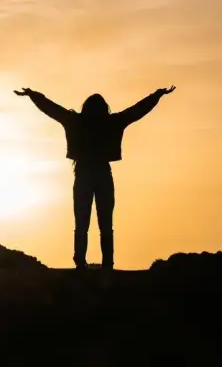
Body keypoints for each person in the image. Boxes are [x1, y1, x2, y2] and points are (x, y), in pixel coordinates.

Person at [14, 85, 176, 270]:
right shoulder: (112, 122)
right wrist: (156, 95)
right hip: (102, 173)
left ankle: (81, 262)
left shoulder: (76, 121)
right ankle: (107, 264)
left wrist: (33, 95)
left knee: (82, 222)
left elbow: (52, 109)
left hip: (83, 174)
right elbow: (137, 110)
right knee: (105, 222)